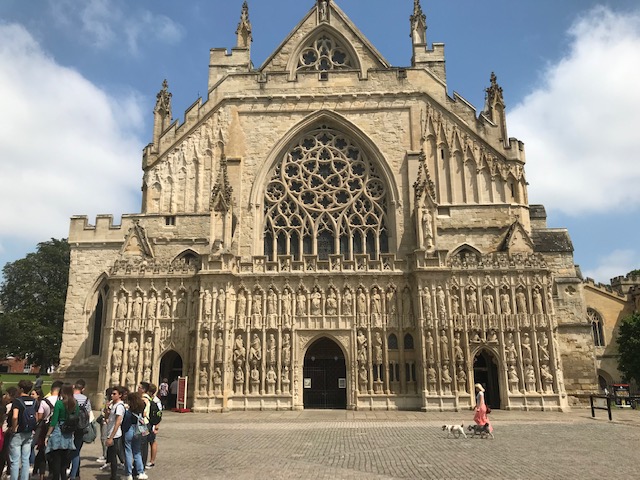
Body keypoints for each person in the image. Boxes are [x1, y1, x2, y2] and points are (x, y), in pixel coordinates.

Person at [44, 383, 78, 480]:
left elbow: (54, 421)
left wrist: (47, 435)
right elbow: (76, 418)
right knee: (64, 460)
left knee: (56, 459)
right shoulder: (75, 403)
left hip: (58, 431)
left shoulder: (59, 403)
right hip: (69, 432)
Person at [33, 381, 62, 480]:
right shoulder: (62, 401)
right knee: (55, 452)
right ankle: (53, 473)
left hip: (45, 428)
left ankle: (40, 474)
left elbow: (40, 416)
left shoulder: (45, 401)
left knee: (42, 451)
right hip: (58, 429)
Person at [9, 379, 36, 480]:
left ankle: (14, 478)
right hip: (29, 431)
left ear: (20, 388)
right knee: (25, 459)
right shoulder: (34, 401)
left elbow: (15, 416)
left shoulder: (17, 401)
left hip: (19, 431)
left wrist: (14, 428)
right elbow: (36, 416)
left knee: (15, 460)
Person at [122, 392, 148, 480]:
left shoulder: (128, 412)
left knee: (128, 452)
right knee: (137, 452)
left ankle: (128, 474)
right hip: (138, 431)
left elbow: (125, 423)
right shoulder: (140, 409)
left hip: (129, 430)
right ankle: (141, 472)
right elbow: (145, 402)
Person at [69, 379, 91, 480]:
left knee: (67, 450)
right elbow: (88, 413)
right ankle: (74, 474)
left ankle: (67, 471)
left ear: (74, 386)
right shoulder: (86, 399)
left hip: (69, 427)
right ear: (83, 388)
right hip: (81, 427)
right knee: (76, 451)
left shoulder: (70, 397)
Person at [105, 386, 126, 480]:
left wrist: (111, 437)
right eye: (112, 394)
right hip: (110, 432)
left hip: (115, 434)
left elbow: (118, 422)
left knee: (115, 456)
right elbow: (108, 418)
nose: (112, 395)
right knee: (111, 456)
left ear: (120, 395)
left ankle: (114, 476)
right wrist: (106, 409)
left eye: (114, 394)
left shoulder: (120, 406)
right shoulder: (113, 405)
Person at [1, 387, 18, 479]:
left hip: (6, 430)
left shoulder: (8, 406)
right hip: (12, 430)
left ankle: (7, 469)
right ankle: (9, 469)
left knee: (5, 451)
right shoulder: (17, 404)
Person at [145, 384, 162, 468]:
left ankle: (152, 461)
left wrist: (157, 427)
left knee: (152, 441)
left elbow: (159, 414)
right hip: (147, 424)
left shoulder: (156, 401)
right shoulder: (148, 399)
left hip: (152, 424)